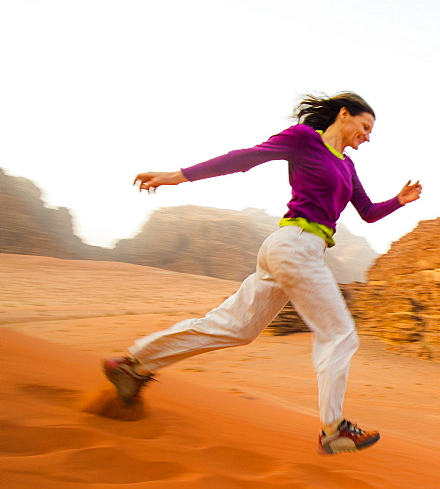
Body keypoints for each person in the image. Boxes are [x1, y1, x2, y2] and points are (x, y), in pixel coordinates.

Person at [103, 92, 421, 454]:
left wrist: (398, 201)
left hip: (296, 250)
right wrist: (177, 177)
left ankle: (134, 365)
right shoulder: (304, 139)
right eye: (364, 127)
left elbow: (366, 211)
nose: (367, 136)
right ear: (344, 115)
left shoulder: (347, 166)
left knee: (237, 328)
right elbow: (245, 159)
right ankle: (334, 429)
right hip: (294, 245)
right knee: (340, 334)